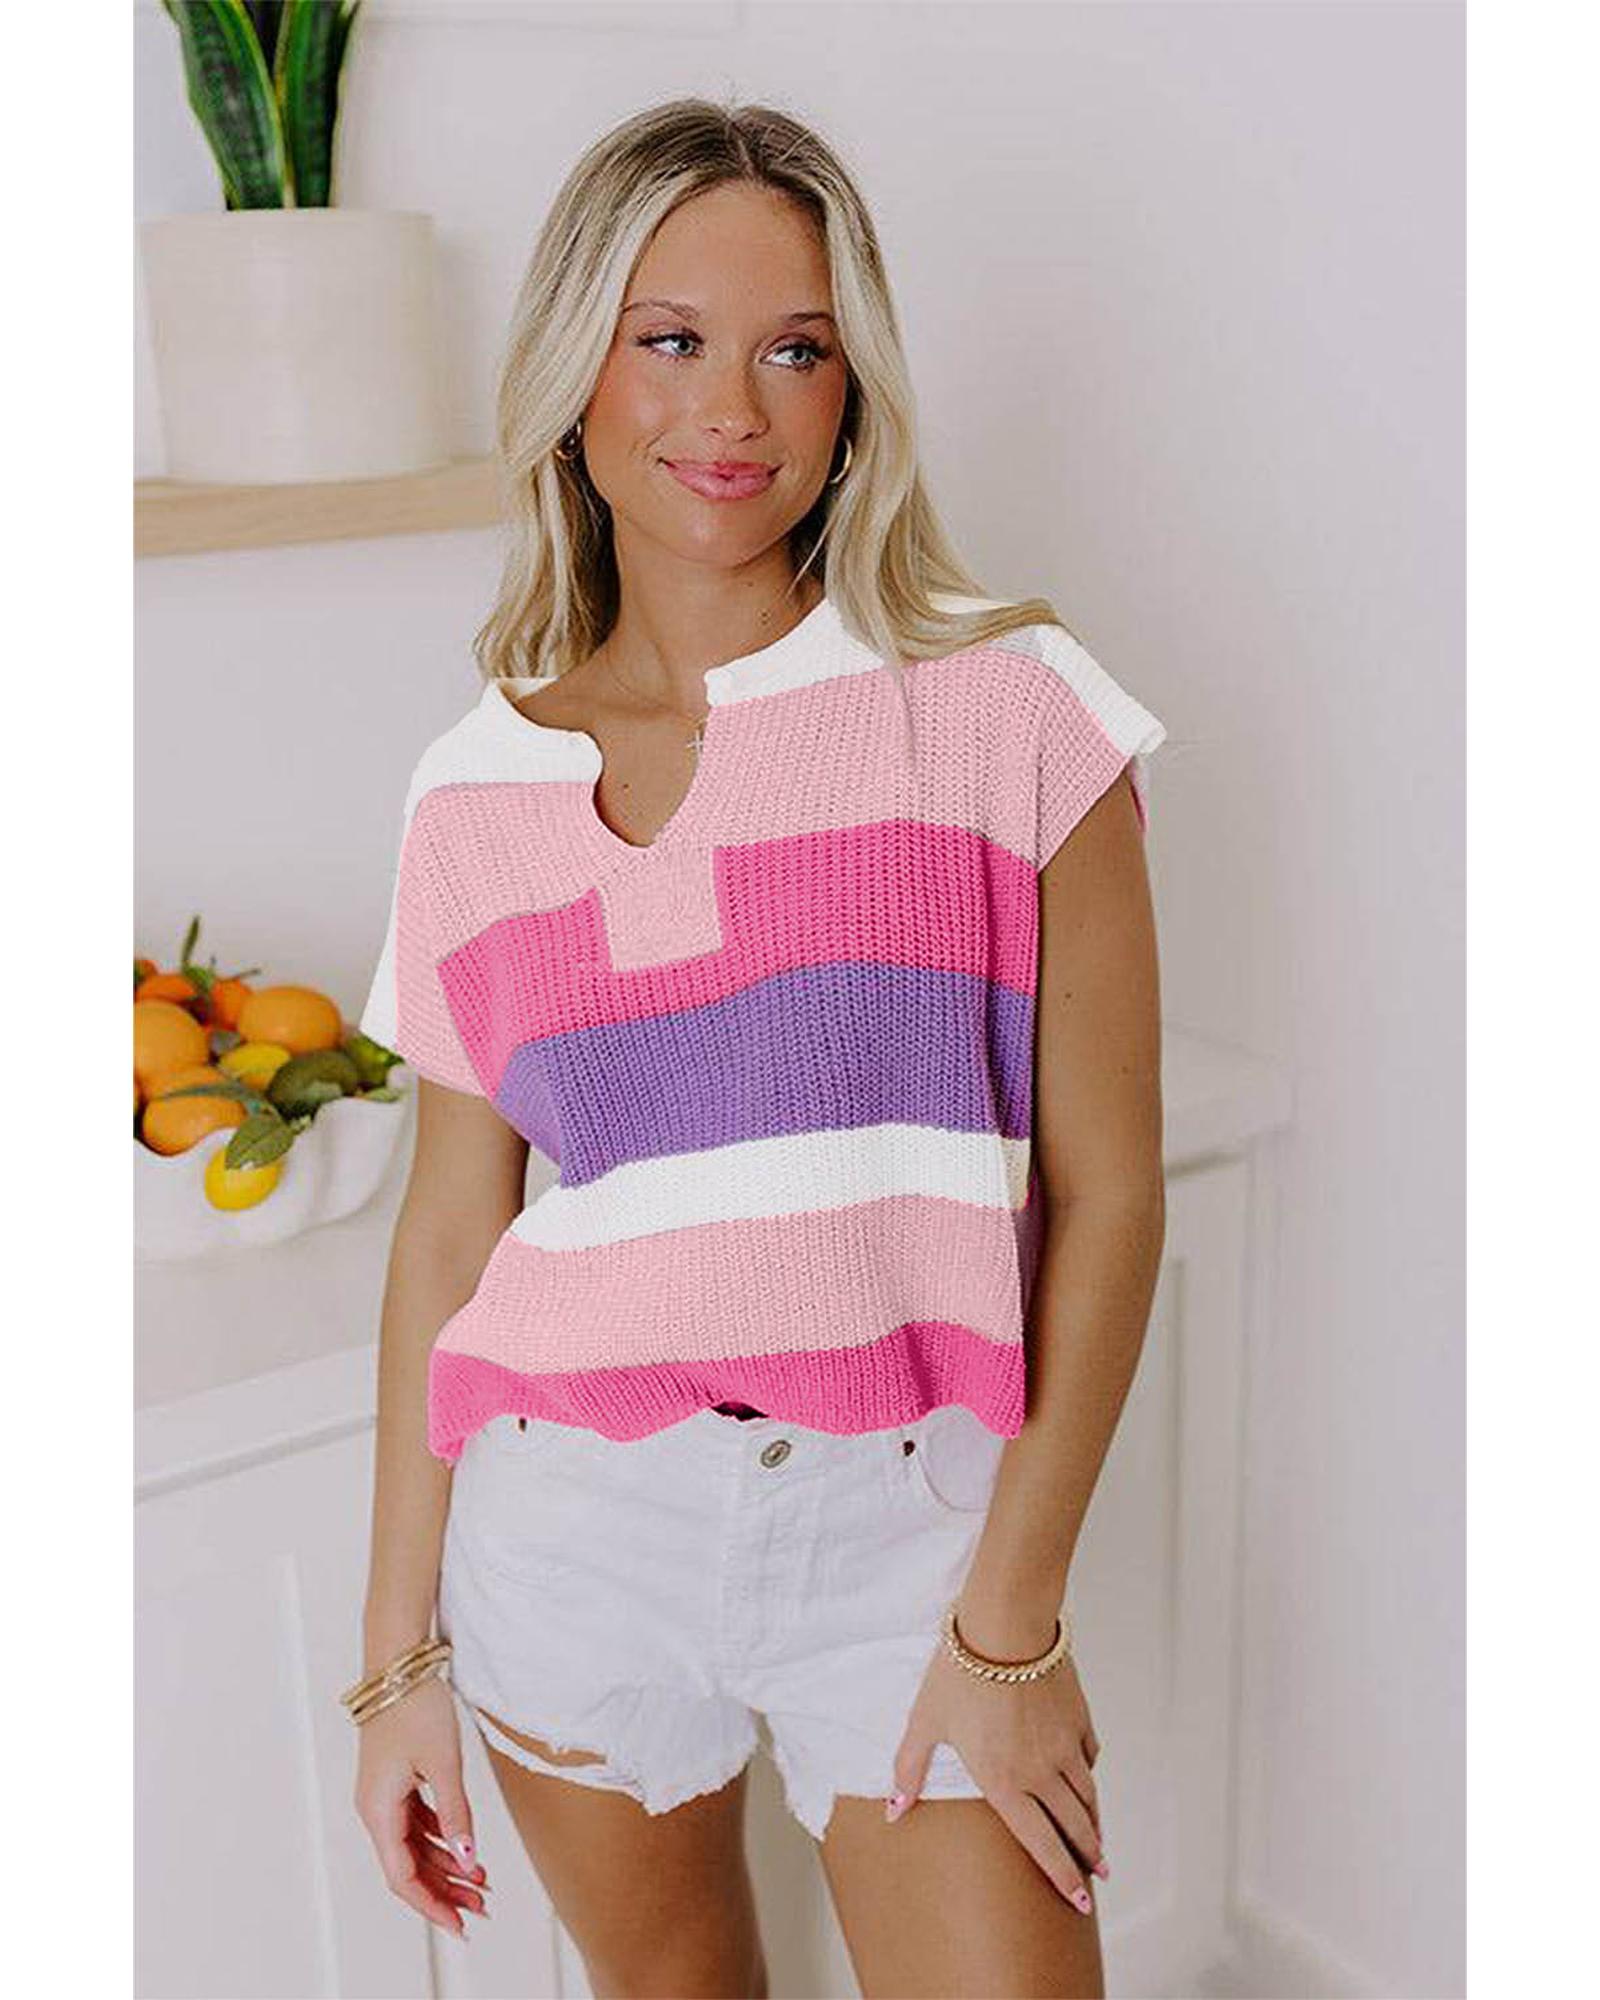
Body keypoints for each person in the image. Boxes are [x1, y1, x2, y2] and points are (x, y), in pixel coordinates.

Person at [346, 96, 1168, 2000]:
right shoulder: (473, 788)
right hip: (569, 1539)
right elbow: (451, 1234)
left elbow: (1110, 1193)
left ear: (854, 389)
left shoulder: (1004, 712)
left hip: (915, 1541)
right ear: (575, 375)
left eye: (795, 349)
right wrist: (397, 1667)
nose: (732, 408)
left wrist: (1013, 1623)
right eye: (672, 340)